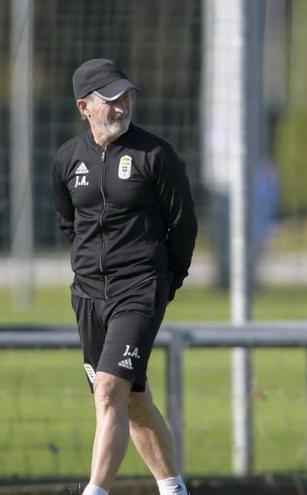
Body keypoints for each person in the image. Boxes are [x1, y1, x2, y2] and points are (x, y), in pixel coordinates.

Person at [52, 58, 197, 495]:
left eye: (125, 97)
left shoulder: (155, 155)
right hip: (89, 297)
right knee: (132, 399)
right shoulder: (66, 160)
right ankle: (173, 488)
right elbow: (68, 225)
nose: (121, 106)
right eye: (110, 100)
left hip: (140, 289)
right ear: (84, 107)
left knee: (109, 390)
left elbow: (183, 225)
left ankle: (95, 490)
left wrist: (165, 281)